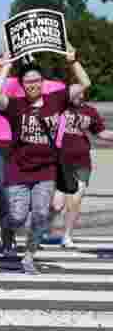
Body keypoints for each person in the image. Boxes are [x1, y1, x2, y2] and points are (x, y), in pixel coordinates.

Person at [0, 51, 90, 272]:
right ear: (22, 84)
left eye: (36, 80)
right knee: (16, 217)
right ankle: (7, 229)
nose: (32, 85)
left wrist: (72, 60)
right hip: (18, 169)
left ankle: (29, 255)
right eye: (27, 81)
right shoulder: (15, 105)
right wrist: (7, 66)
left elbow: (85, 82)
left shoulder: (57, 99)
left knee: (42, 213)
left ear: (42, 83)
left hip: (46, 169)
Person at [54, 92, 113, 247]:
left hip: (82, 162)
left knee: (75, 200)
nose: (78, 94)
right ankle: (41, 230)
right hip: (60, 161)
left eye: (81, 91)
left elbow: (101, 133)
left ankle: (66, 236)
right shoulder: (59, 107)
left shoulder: (90, 111)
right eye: (74, 90)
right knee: (56, 205)